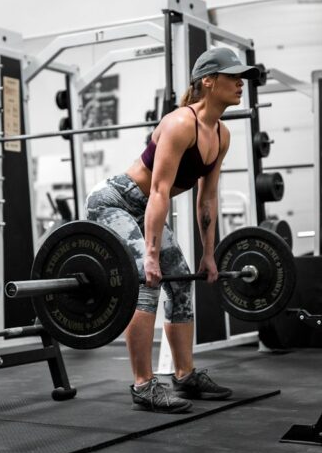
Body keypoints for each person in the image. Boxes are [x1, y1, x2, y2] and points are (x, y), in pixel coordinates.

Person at [85, 47, 260, 413]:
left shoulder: (221, 135)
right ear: (207, 81)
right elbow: (160, 191)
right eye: (233, 76)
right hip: (115, 202)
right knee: (146, 283)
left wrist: (209, 254)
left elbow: (206, 201)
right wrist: (149, 256)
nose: (240, 83)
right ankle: (144, 385)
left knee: (180, 279)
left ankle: (184, 375)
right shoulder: (182, 123)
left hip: (146, 206)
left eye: (242, 77)